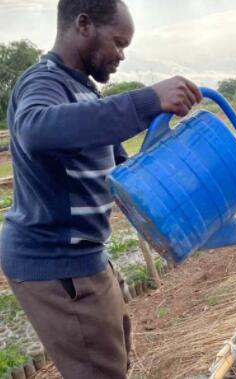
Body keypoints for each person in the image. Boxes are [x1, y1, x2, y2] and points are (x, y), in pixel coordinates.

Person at [0, 1, 202, 377]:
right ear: (84, 24)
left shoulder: (86, 93)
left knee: (113, 360)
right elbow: (35, 129)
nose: (122, 55)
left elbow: (123, 174)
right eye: (119, 43)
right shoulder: (43, 82)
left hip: (87, 257)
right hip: (55, 263)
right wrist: (147, 100)